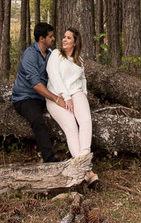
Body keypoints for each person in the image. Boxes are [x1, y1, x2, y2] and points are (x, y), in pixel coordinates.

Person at [45, 28, 98, 185]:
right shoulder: (56, 54)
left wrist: (84, 94)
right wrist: (66, 97)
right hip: (57, 97)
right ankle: (87, 170)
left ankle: (85, 160)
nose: (64, 40)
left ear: (75, 42)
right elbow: (53, 75)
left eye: (68, 38)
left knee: (86, 121)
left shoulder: (79, 61)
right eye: (64, 37)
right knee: (72, 127)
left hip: (76, 93)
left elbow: (83, 80)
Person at [11, 22, 60, 162]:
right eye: (50, 36)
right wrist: (56, 98)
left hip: (42, 97)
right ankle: (50, 159)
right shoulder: (30, 55)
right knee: (37, 119)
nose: (53, 39)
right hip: (25, 98)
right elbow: (37, 85)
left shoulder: (50, 54)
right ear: (41, 38)